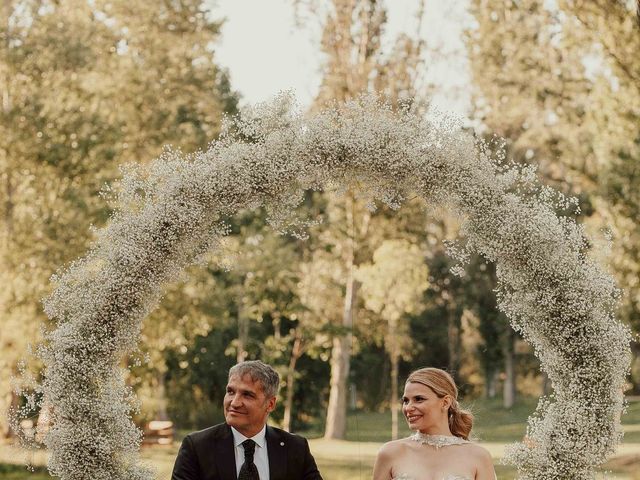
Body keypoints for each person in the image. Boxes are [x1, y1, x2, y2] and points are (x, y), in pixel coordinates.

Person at [171, 360, 323, 480]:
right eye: (230, 392)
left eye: (247, 395)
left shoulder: (296, 448)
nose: (234, 402)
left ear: (270, 404)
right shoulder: (197, 447)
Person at [373, 368, 496, 480]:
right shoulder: (389, 453)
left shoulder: (478, 456)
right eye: (405, 401)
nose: (408, 408)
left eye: (419, 399)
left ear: (445, 402)